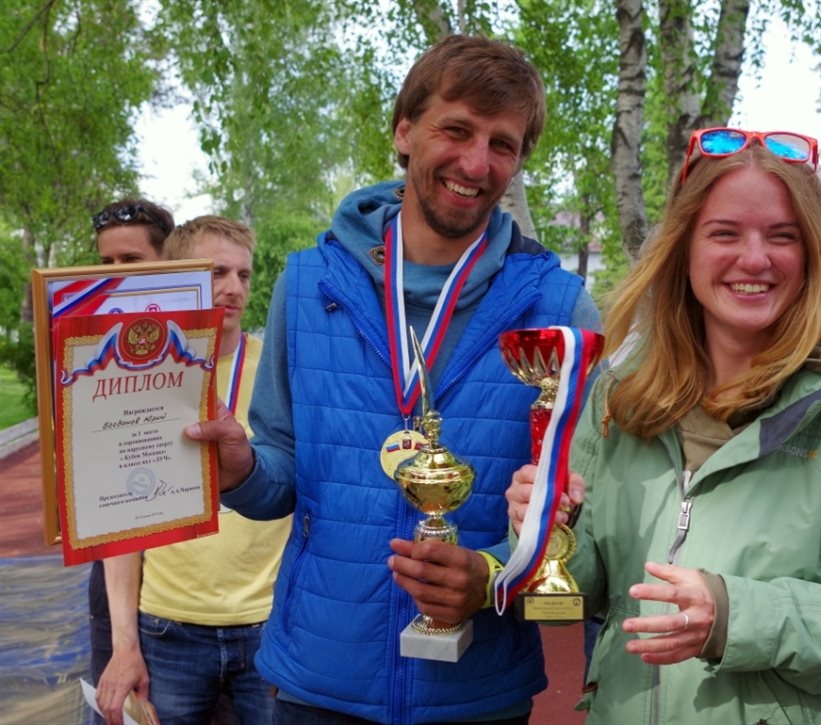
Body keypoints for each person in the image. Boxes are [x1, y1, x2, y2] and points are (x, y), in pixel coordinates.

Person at [183, 35, 600, 725]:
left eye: (502, 144)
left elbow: (586, 503)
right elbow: (283, 473)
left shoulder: (558, 308)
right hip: (319, 683)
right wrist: (242, 470)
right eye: (456, 130)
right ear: (405, 132)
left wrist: (493, 573)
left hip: (477, 694)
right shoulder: (308, 284)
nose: (476, 163)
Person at [507, 128, 821, 723]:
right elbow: (580, 598)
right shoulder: (622, 398)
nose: (754, 258)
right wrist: (544, 535)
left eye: (782, 236)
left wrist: (736, 617)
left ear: (813, 255)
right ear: (683, 248)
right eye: (724, 233)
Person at [95, 216, 290, 725]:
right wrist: (124, 645)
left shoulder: (280, 372)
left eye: (243, 274)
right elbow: (120, 522)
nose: (233, 288)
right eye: (216, 272)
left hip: (270, 623)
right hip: (169, 627)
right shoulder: (137, 378)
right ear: (177, 278)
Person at [89, 198, 175, 721]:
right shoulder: (89, 351)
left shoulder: (199, 347)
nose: (117, 274)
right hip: (118, 568)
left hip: (197, 590)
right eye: (107, 263)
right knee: (124, 707)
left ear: (167, 262)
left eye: (132, 261)